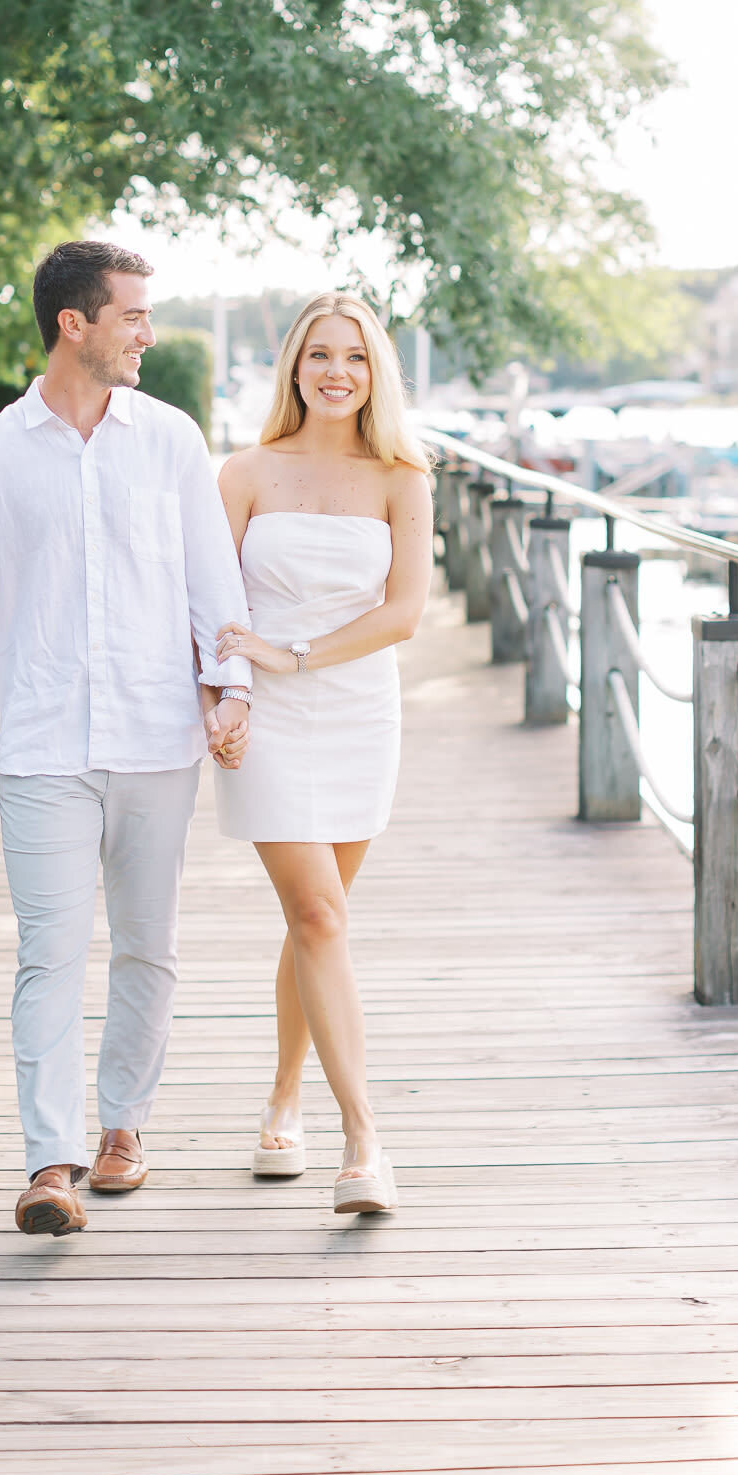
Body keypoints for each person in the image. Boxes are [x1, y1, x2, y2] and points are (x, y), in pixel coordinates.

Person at [0, 240, 253, 1237]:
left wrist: (229, 685)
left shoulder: (171, 440)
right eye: (134, 315)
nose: (149, 332)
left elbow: (211, 579)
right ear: (76, 322)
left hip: (158, 736)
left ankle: (124, 1128)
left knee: (148, 946)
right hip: (43, 743)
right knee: (49, 950)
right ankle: (49, 1162)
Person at [211, 292, 433, 1214]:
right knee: (320, 917)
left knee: (318, 918)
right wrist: (224, 692)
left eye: (354, 357)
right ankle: (364, 1142)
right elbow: (207, 606)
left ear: (375, 373)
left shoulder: (401, 477)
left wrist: (294, 653)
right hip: (261, 716)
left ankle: (281, 1098)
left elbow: (404, 613)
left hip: (354, 710)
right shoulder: (245, 472)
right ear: (293, 369)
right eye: (318, 355)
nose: (335, 371)